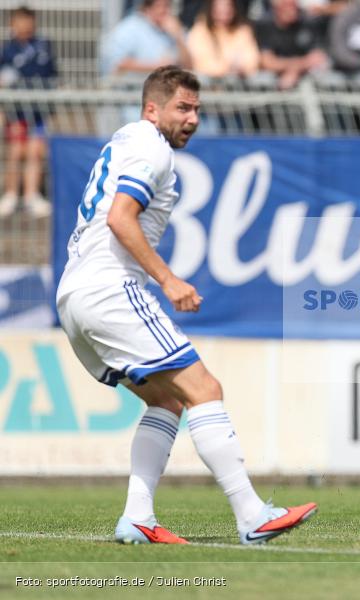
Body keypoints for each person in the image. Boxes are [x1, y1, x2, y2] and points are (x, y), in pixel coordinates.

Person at [56, 66, 316, 544]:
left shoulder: (126, 139)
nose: (193, 118)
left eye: (196, 108)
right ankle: (251, 514)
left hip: (75, 295)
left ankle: (137, 518)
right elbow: (120, 218)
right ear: (152, 108)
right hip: (110, 288)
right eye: (183, 107)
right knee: (205, 388)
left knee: (168, 399)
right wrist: (169, 279)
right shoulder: (151, 147)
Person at [0, 6, 56, 218]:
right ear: (12, 24)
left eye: (27, 21)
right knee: (15, 152)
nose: (24, 26)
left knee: (35, 152)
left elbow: (49, 73)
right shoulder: (7, 50)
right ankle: (11, 194)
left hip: (38, 109)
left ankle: (32, 195)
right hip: (16, 111)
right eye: (19, 21)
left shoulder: (43, 46)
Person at [100, 0, 192, 77]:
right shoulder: (130, 28)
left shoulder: (175, 28)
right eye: (159, 6)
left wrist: (178, 37)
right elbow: (117, 63)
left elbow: (189, 66)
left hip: (166, 93)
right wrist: (157, 67)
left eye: (167, 5)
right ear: (147, 7)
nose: (164, 10)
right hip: (132, 93)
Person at [255, 0, 330, 90]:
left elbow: (317, 59)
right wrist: (298, 65)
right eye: (287, 5)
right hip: (271, 89)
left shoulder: (307, 22)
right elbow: (267, 62)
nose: (292, 10)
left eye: (294, 5)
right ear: (276, 8)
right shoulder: (265, 25)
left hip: (306, 88)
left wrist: (294, 70)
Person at [187, 0, 260, 79]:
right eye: (219, 5)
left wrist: (242, 68)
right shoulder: (199, 31)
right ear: (211, 8)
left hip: (239, 87)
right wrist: (227, 69)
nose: (224, 9)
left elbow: (252, 61)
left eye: (228, 5)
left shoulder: (243, 31)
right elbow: (200, 63)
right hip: (207, 87)